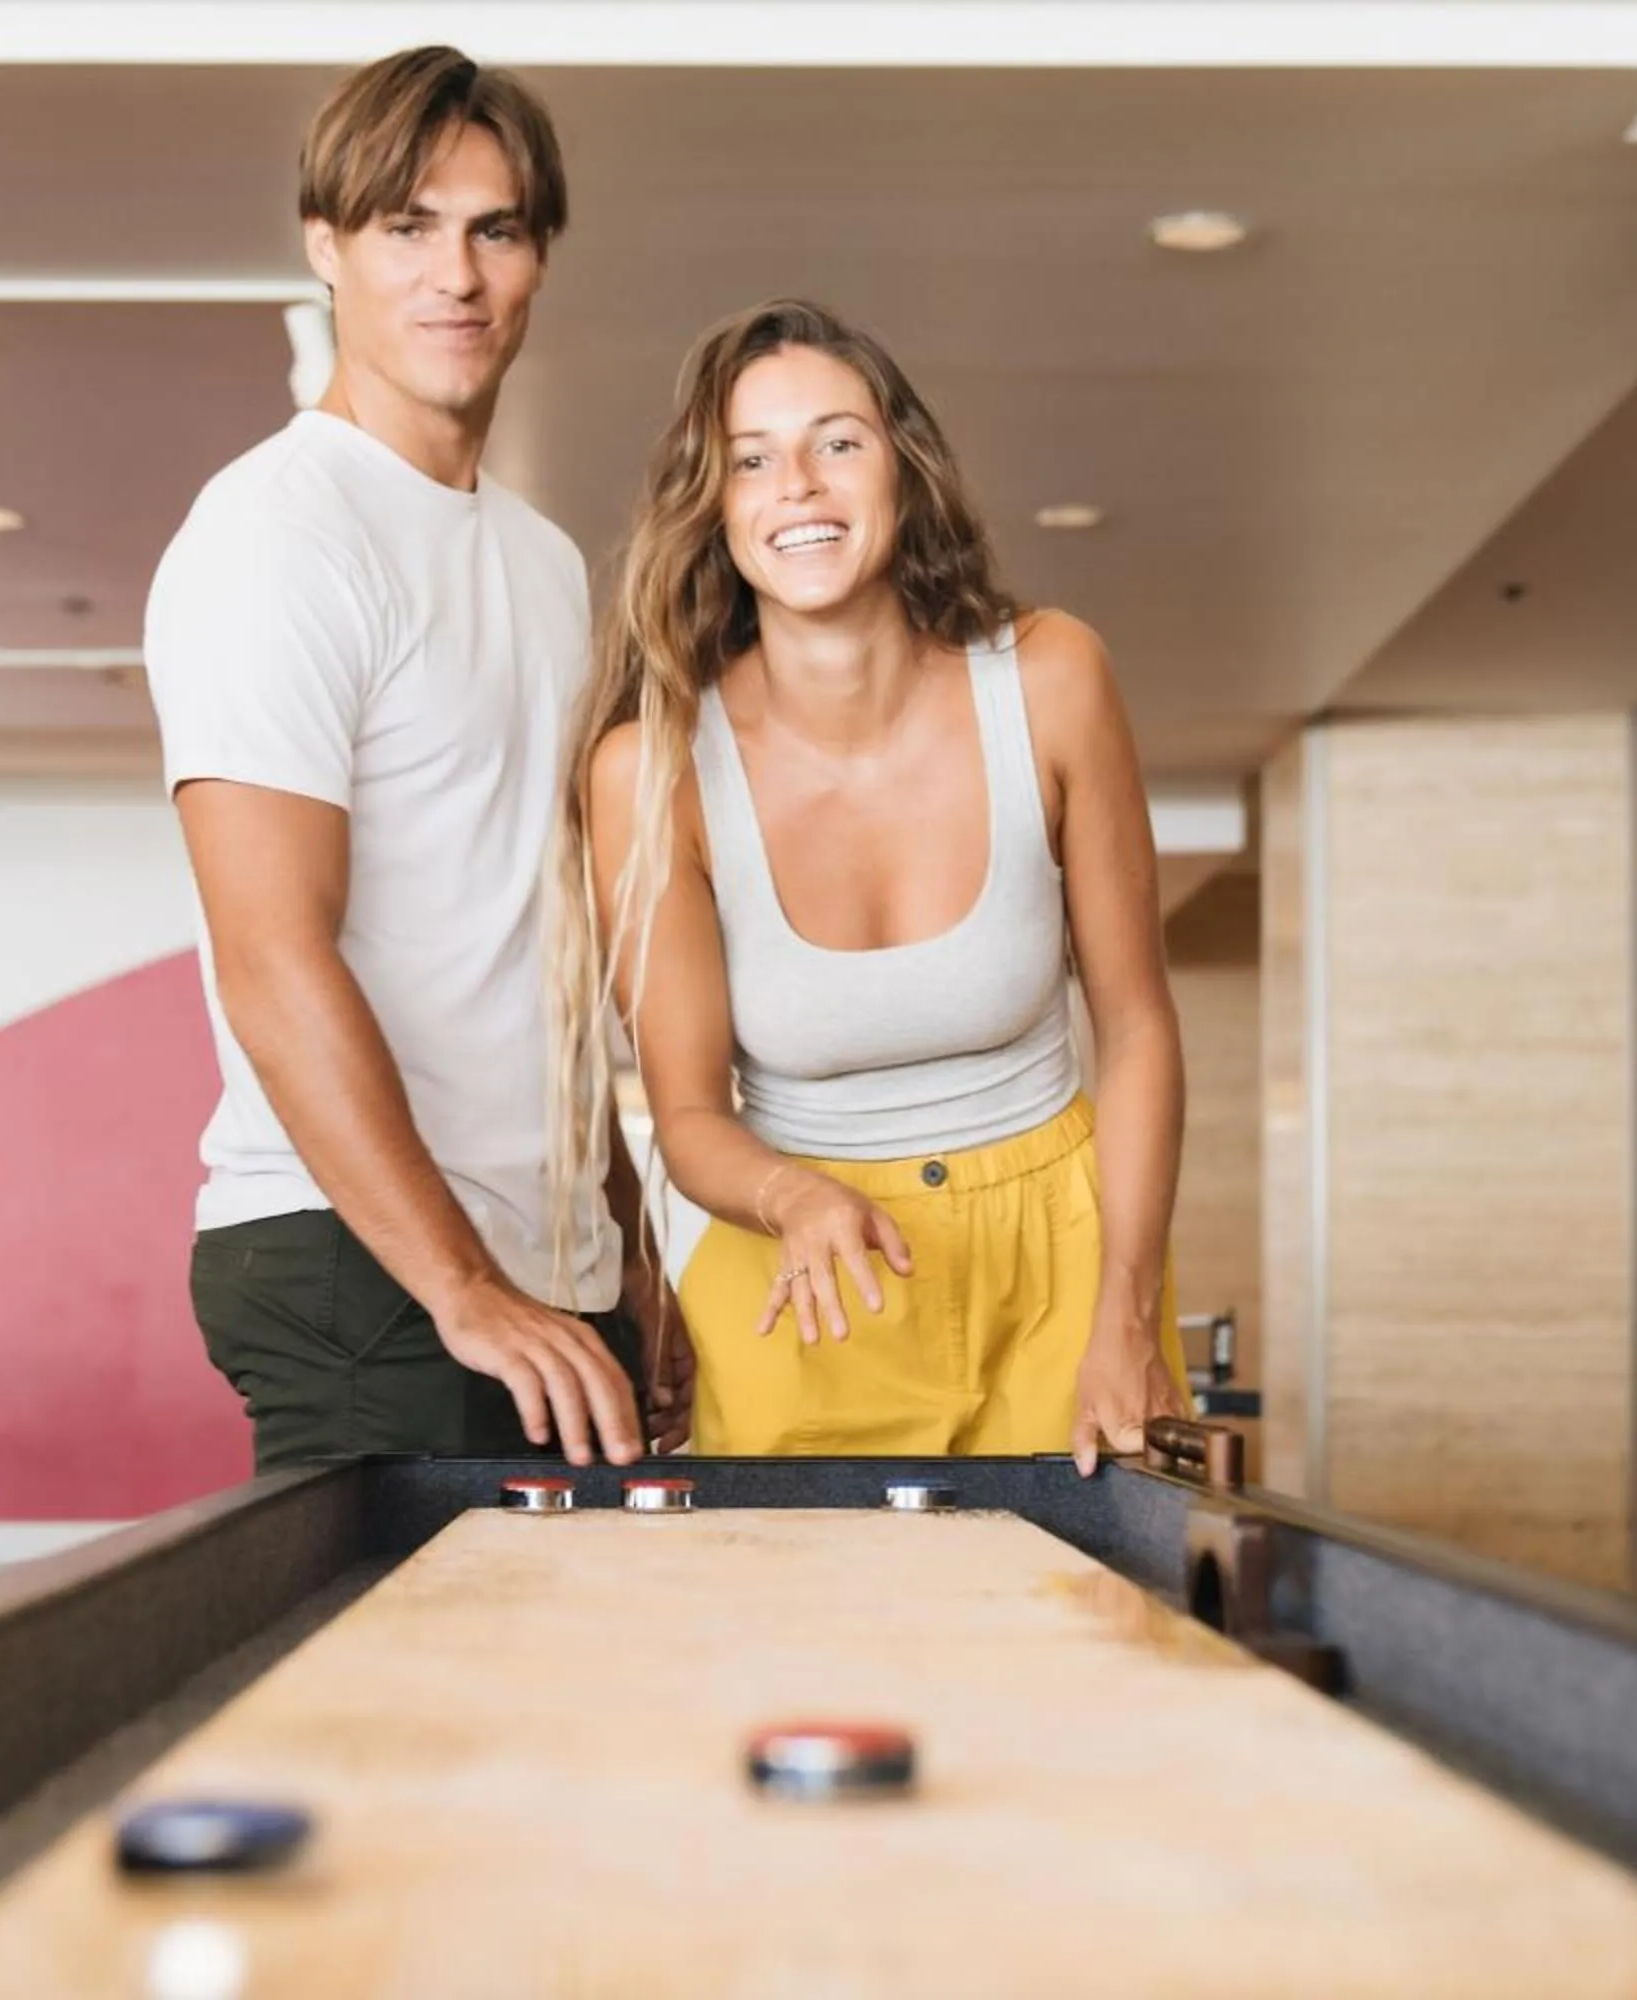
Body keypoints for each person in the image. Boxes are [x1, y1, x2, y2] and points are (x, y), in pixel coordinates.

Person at [144, 46, 687, 1472]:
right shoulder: (277, 534)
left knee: (548, 1693)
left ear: (539, 259)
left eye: (493, 229)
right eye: (407, 226)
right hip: (369, 1268)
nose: (456, 274)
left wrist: (619, 1237)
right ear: (325, 247)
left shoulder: (547, 563)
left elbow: (545, 948)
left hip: (535, 1273)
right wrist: (462, 1286)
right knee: (410, 1701)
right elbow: (271, 956)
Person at [552, 298, 1188, 1472]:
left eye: (836, 441)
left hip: (1064, 1270)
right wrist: (792, 1199)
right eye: (752, 459)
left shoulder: (1051, 677)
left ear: (904, 467)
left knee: (1080, 1640)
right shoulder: (649, 769)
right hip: (803, 1283)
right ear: (717, 506)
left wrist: (1129, 1315)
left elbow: (1139, 1022)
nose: (797, 482)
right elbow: (686, 1111)